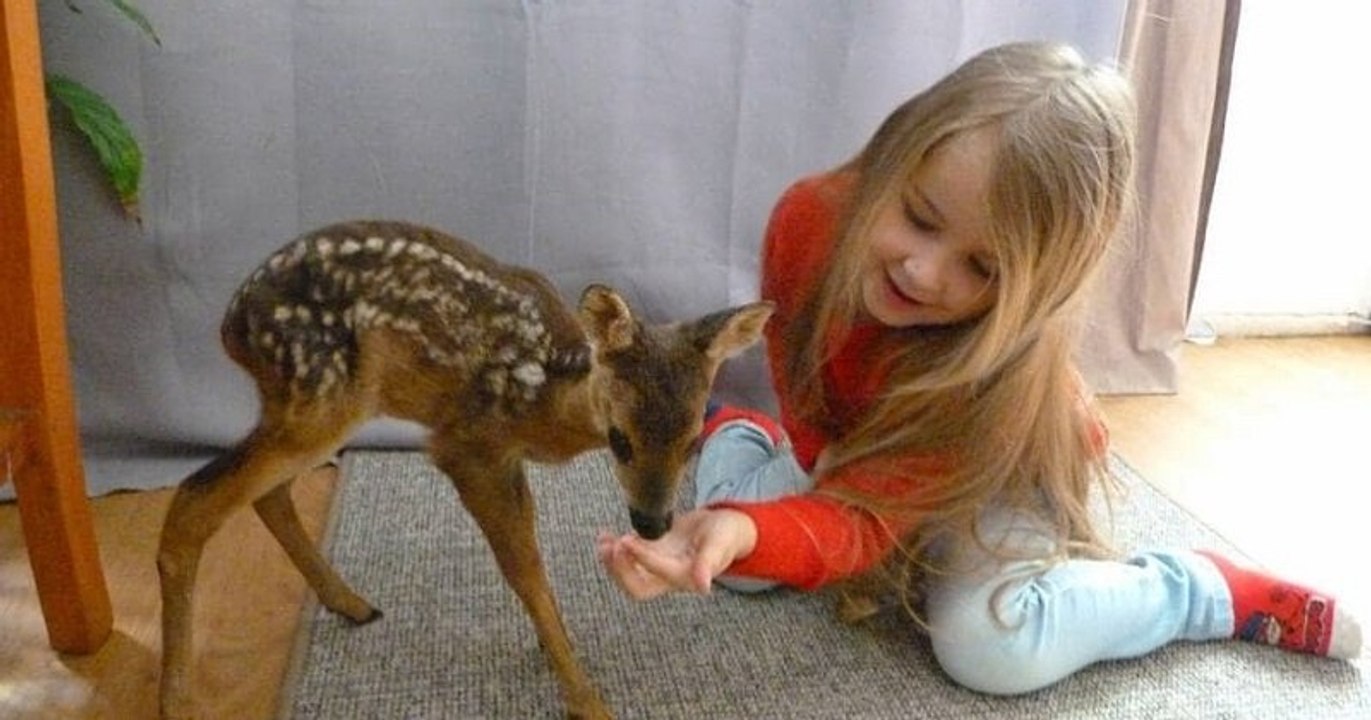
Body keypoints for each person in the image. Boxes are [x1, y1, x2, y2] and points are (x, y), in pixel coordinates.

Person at [595, 41, 1362, 695]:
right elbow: (802, 379)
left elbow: (859, 524)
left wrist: (844, 509)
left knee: (987, 651)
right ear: (891, 158)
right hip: (860, 451)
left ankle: (1198, 592)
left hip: (992, 471)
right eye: (919, 218)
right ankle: (740, 436)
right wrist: (762, 505)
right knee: (732, 559)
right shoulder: (808, 217)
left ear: (1032, 299)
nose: (924, 273)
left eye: (981, 269)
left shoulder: (990, 378)